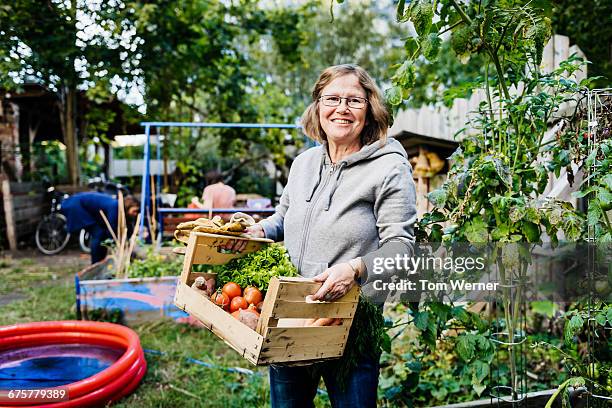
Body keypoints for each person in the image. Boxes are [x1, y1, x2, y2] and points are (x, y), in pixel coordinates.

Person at [230, 64, 417, 407]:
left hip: (349, 321)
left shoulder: (390, 167)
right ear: (318, 106)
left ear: (370, 109)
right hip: (289, 313)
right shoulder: (303, 163)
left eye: (354, 101)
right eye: (332, 98)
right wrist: (260, 228)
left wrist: (355, 270)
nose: (342, 109)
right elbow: (284, 217)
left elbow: (402, 248)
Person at [61, 192, 140, 264]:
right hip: (77, 206)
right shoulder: (115, 207)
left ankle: (100, 261)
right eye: (134, 211)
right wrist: (122, 247)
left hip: (82, 206)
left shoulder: (121, 210)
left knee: (101, 235)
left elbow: (126, 230)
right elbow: (111, 230)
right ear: (128, 206)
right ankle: (96, 262)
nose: (135, 214)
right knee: (98, 234)